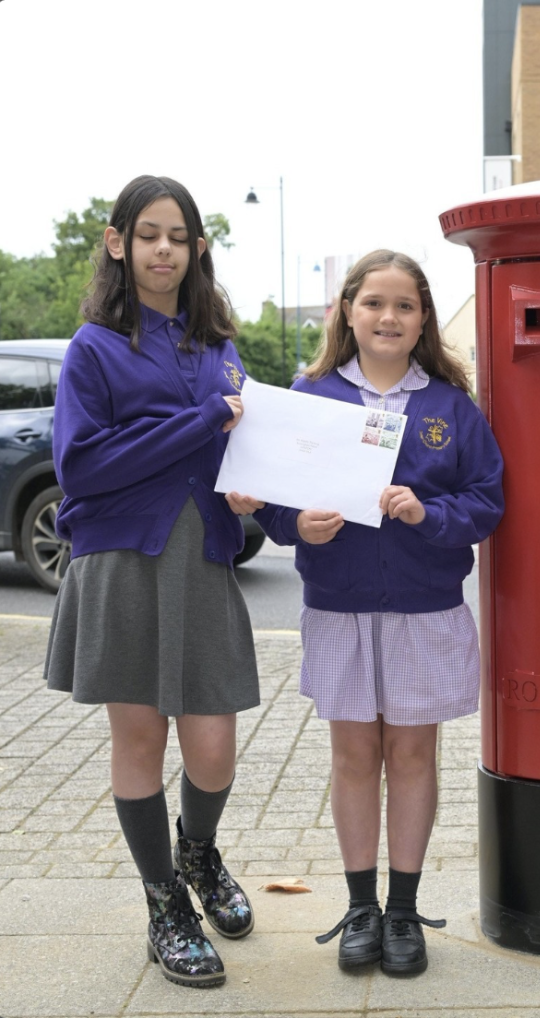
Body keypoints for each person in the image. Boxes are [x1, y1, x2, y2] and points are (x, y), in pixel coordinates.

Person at [227, 249, 504, 977]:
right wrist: (293, 527)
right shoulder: (308, 395)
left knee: (412, 756)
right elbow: (274, 494)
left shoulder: (450, 406)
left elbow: (486, 500)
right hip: (340, 606)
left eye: (405, 305)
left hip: (425, 608)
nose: (389, 317)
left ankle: (404, 910)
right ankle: (359, 907)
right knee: (353, 757)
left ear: (423, 321)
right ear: (347, 312)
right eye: (374, 303)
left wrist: (428, 513)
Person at [44, 175, 259, 989]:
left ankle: (197, 855)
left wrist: (248, 487)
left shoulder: (221, 348)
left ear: (198, 249)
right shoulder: (93, 348)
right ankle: (163, 898)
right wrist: (203, 423)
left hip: (201, 554)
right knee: (139, 739)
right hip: (120, 558)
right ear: (118, 243)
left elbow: (234, 455)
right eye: (148, 234)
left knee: (212, 748)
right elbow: (83, 467)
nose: (163, 249)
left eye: (179, 236)